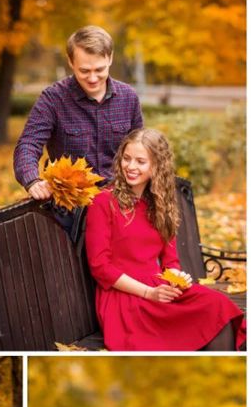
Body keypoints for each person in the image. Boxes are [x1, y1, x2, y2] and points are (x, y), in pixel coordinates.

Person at [85, 129, 246, 351]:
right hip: (124, 296)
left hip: (159, 288)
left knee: (220, 308)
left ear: (157, 166)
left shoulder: (160, 205)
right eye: (127, 158)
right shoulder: (104, 202)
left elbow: (170, 261)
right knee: (207, 320)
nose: (131, 167)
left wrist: (177, 277)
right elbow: (100, 267)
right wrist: (148, 293)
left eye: (141, 161)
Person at [14, 26, 143, 236]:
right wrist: (32, 180)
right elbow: (28, 144)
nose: (93, 78)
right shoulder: (53, 99)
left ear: (110, 58)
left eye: (99, 69)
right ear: (71, 62)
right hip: (70, 211)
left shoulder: (128, 97)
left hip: (120, 204)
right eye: (84, 70)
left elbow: (141, 150)